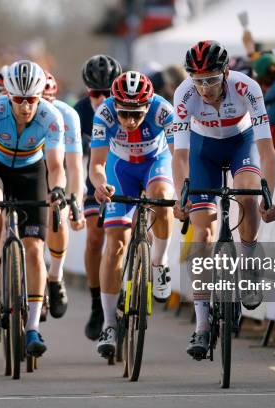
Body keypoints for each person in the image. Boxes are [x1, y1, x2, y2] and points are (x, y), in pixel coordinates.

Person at [171, 41, 275, 359]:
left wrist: (268, 196)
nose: (204, 88)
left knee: (246, 192)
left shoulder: (248, 87)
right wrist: (181, 198)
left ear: (226, 73)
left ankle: (249, 262)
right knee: (201, 231)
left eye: (212, 80)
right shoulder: (184, 94)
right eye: (198, 80)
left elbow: (266, 150)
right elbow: (180, 156)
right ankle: (202, 325)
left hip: (240, 143)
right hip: (202, 149)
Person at [0, 60, 67, 357]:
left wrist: (57, 189)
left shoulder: (51, 116)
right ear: (8, 96)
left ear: (39, 97)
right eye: (18, 100)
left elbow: (56, 165)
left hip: (31, 172)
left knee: (34, 250)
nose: (25, 106)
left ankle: (32, 327)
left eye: (31, 99)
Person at [90, 71, 175, 358]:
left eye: (136, 114)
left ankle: (159, 263)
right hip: (119, 169)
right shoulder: (105, 112)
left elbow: (180, 155)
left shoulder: (163, 110)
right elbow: (97, 163)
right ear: (116, 105)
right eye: (124, 113)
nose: (129, 120)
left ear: (147, 105)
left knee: (162, 199)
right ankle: (110, 324)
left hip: (155, 162)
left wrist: (184, 191)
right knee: (114, 243)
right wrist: (100, 184)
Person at [73, 55, 122, 341]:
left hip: (128, 177)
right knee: (94, 238)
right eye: (95, 93)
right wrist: (73, 189)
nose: (102, 99)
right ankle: (97, 304)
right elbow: (72, 157)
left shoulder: (128, 106)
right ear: (86, 91)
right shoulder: (79, 112)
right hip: (95, 180)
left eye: (108, 93)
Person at [42, 71, 85, 318]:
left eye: (49, 101)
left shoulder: (67, 115)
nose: (43, 108)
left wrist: (75, 203)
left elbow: (75, 166)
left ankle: (56, 277)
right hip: (30, 169)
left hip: (56, 171)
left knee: (57, 215)